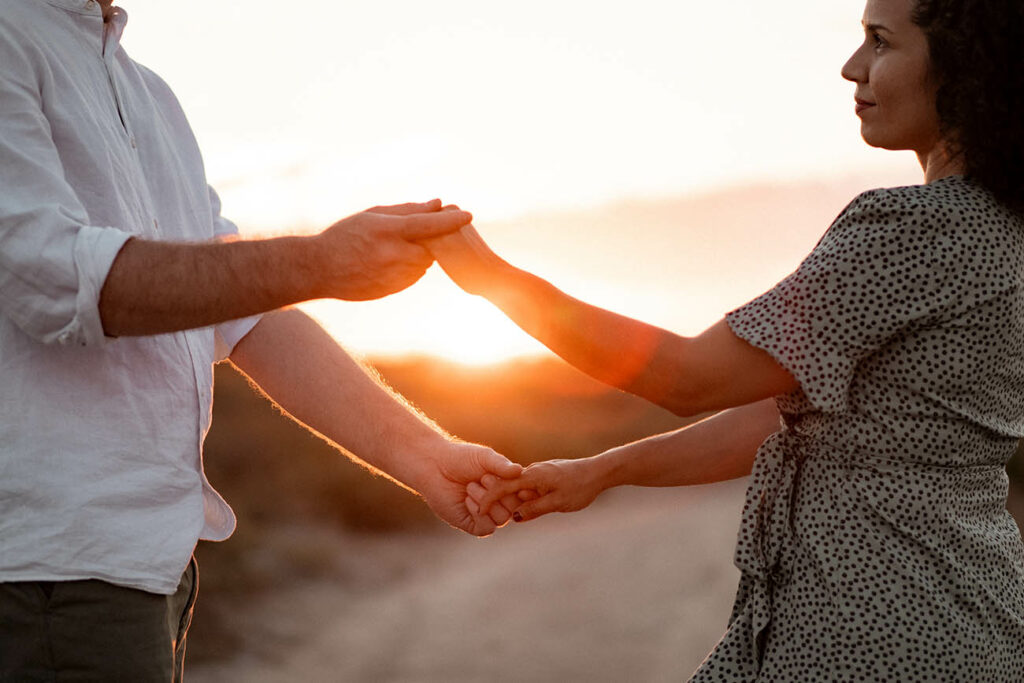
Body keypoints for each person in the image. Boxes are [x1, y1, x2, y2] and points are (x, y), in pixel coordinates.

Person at [434, 0, 1024, 679]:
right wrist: (603, 469)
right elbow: (787, 411)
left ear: (962, 65)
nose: (851, 67)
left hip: (872, 633)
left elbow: (689, 377)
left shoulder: (915, 229)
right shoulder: (1000, 227)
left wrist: (492, 279)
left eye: (880, 42)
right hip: (958, 620)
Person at [0, 0, 519, 680]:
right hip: (46, 570)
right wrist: (320, 262)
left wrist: (426, 455)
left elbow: (244, 315)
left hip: (143, 567)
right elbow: (54, 278)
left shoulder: (146, 92)